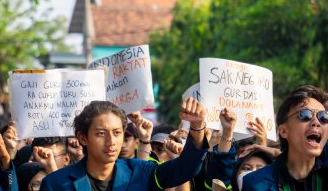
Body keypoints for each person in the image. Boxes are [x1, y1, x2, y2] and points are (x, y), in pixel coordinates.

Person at [41, 98, 209, 190]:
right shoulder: (55, 184)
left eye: (117, 133)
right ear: (83, 137)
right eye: (101, 133)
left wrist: (197, 127)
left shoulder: (141, 172)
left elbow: (185, 168)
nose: (111, 142)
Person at [242, 85, 328, 190]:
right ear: (283, 131)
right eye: (305, 115)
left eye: (324, 116)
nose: (316, 122)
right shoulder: (255, 183)